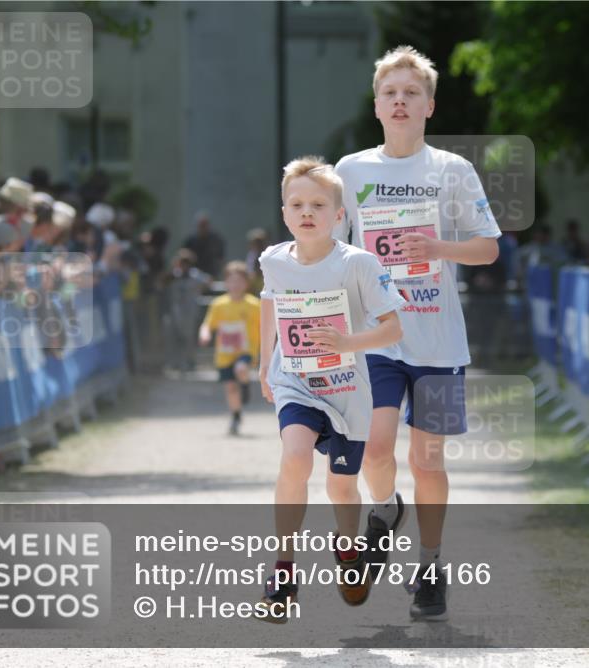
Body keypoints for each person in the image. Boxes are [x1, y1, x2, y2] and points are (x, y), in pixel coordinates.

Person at [333, 45, 501, 621]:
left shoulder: (452, 170)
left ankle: (430, 566)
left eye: (411, 93)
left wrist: (436, 248)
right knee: (375, 450)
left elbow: (488, 248)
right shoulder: (350, 171)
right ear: (376, 106)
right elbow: (329, 247)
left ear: (429, 105)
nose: (400, 101)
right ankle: (386, 509)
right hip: (378, 340)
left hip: (438, 342)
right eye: (390, 93)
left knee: (428, 460)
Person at [254, 156, 405, 621]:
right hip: (296, 381)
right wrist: (265, 366)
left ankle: (347, 554)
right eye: (297, 204)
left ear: (339, 215)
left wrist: (346, 342)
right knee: (295, 458)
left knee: (341, 488)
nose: (307, 212)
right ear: (284, 213)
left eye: (319, 204)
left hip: (346, 389)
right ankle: (282, 573)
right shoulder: (273, 260)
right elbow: (269, 305)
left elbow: (393, 329)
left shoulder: (358, 263)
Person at [198, 261, 261, 436]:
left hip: (246, 351)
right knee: (231, 388)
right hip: (224, 354)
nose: (235, 285)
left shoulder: (255, 305)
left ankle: (246, 384)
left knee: (240, 368)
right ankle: (236, 415)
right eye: (232, 281)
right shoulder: (218, 304)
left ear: (246, 284)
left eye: (239, 281)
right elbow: (207, 324)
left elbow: (267, 326)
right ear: (226, 283)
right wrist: (205, 334)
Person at [165, 249, 210, 373]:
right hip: (176, 310)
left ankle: (189, 362)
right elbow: (162, 282)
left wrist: (198, 290)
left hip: (190, 311)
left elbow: (208, 281)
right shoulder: (174, 275)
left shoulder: (195, 275)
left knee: (189, 337)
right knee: (175, 337)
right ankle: (176, 362)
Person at [182, 211, 225, 277]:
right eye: (201, 225)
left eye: (204, 224)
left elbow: (221, 258)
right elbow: (183, 253)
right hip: (193, 274)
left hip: (211, 274)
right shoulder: (191, 240)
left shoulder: (216, 240)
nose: (203, 227)